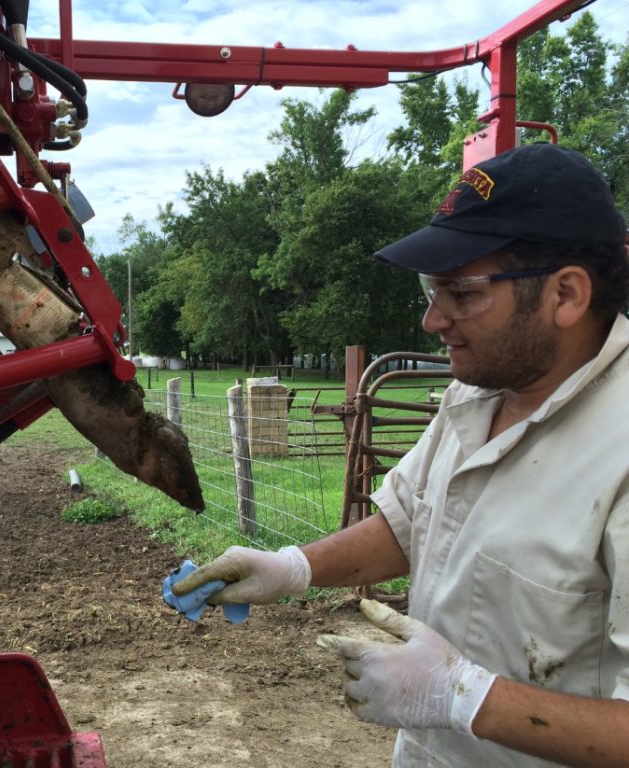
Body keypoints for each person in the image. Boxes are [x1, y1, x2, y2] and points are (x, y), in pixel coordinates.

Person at [171, 142, 629, 768]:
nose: (430, 320)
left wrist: (464, 696)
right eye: (430, 288)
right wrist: (290, 567)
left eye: (461, 293)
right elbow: (411, 519)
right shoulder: (477, 393)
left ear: (567, 294)